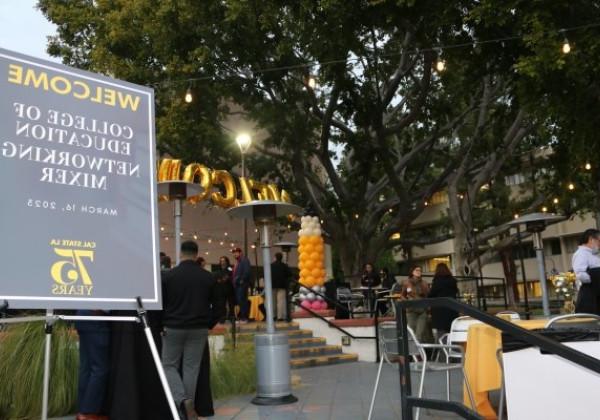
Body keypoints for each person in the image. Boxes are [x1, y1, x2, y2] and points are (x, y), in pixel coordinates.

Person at [161, 240, 216, 420]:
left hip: (173, 327)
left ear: (180, 253)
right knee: (191, 368)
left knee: (168, 365)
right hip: (199, 328)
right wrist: (209, 323)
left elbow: (161, 305)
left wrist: (160, 324)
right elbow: (219, 306)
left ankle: (182, 401)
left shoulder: (169, 276)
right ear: (196, 253)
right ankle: (187, 408)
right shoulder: (207, 277)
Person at [75, 310, 110, 420]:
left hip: (82, 316)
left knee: (87, 367)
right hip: (96, 317)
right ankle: (89, 412)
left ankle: (83, 411)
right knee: (100, 368)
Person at [428, 263, 459, 339]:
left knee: (441, 333)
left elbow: (432, 294)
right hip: (452, 308)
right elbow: (455, 292)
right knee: (451, 330)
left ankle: (443, 350)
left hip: (439, 310)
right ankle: (453, 348)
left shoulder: (437, 281)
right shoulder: (452, 281)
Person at [572, 228, 600, 314]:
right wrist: (596, 276)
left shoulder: (593, 254)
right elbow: (580, 275)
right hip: (589, 296)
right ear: (591, 239)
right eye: (599, 241)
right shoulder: (581, 254)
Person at [401, 266, 431, 343]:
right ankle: (413, 353)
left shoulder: (424, 283)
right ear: (412, 272)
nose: (418, 271)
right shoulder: (406, 282)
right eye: (416, 270)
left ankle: (419, 353)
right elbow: (402, 295)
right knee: (412, 332)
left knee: (419, 333)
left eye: (420, 270)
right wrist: (407, 302)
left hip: (422, 310)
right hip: (411, 310)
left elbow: (428, 296)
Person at [213, 256, 235, 324]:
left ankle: (232, 318)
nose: (222, 262)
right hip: (221, 290)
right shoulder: (218, 269)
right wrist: (218, 280)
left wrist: (221, 280)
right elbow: (215, 278)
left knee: (231, 304)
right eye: (221, 261)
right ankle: (222, 318)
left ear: (226, 261)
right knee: (222, 305)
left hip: (229, 289)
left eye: (223, 261)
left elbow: (228, 275)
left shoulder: (229, 268)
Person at [232, 247, 251, 323]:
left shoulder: (244, 260)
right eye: (233, 253)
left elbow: (247, 272)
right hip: (237, 285)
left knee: (242, 300)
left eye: (236, 252)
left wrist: (241, 280)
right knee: (240, 301)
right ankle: (242, 317)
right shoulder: (238, 262)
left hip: (241, 284)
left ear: (240, 253)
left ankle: (245, 318)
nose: (234, 254)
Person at [271, 252, 291, 321]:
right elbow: (290, 274)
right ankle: (280, 317)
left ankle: (274, 316)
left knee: (273, 301)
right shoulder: (284, 266)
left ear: (275, 257)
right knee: (280, 302)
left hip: (272, 286)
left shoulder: (271, 265)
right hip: (282, 286)